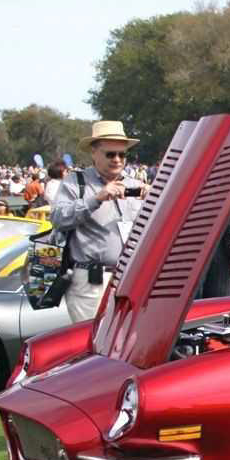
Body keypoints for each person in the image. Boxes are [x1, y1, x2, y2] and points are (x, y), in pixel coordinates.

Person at [51, 120, 147, 322]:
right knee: (91, 338)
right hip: (91, 283)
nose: (117, 160)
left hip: (130, 279)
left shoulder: (135, 185)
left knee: (127, 340)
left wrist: (157, 200)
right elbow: (58, 219)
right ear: (93, 152)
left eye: (122, 154)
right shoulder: (75, 183)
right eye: (110, 154)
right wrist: (96, 199)